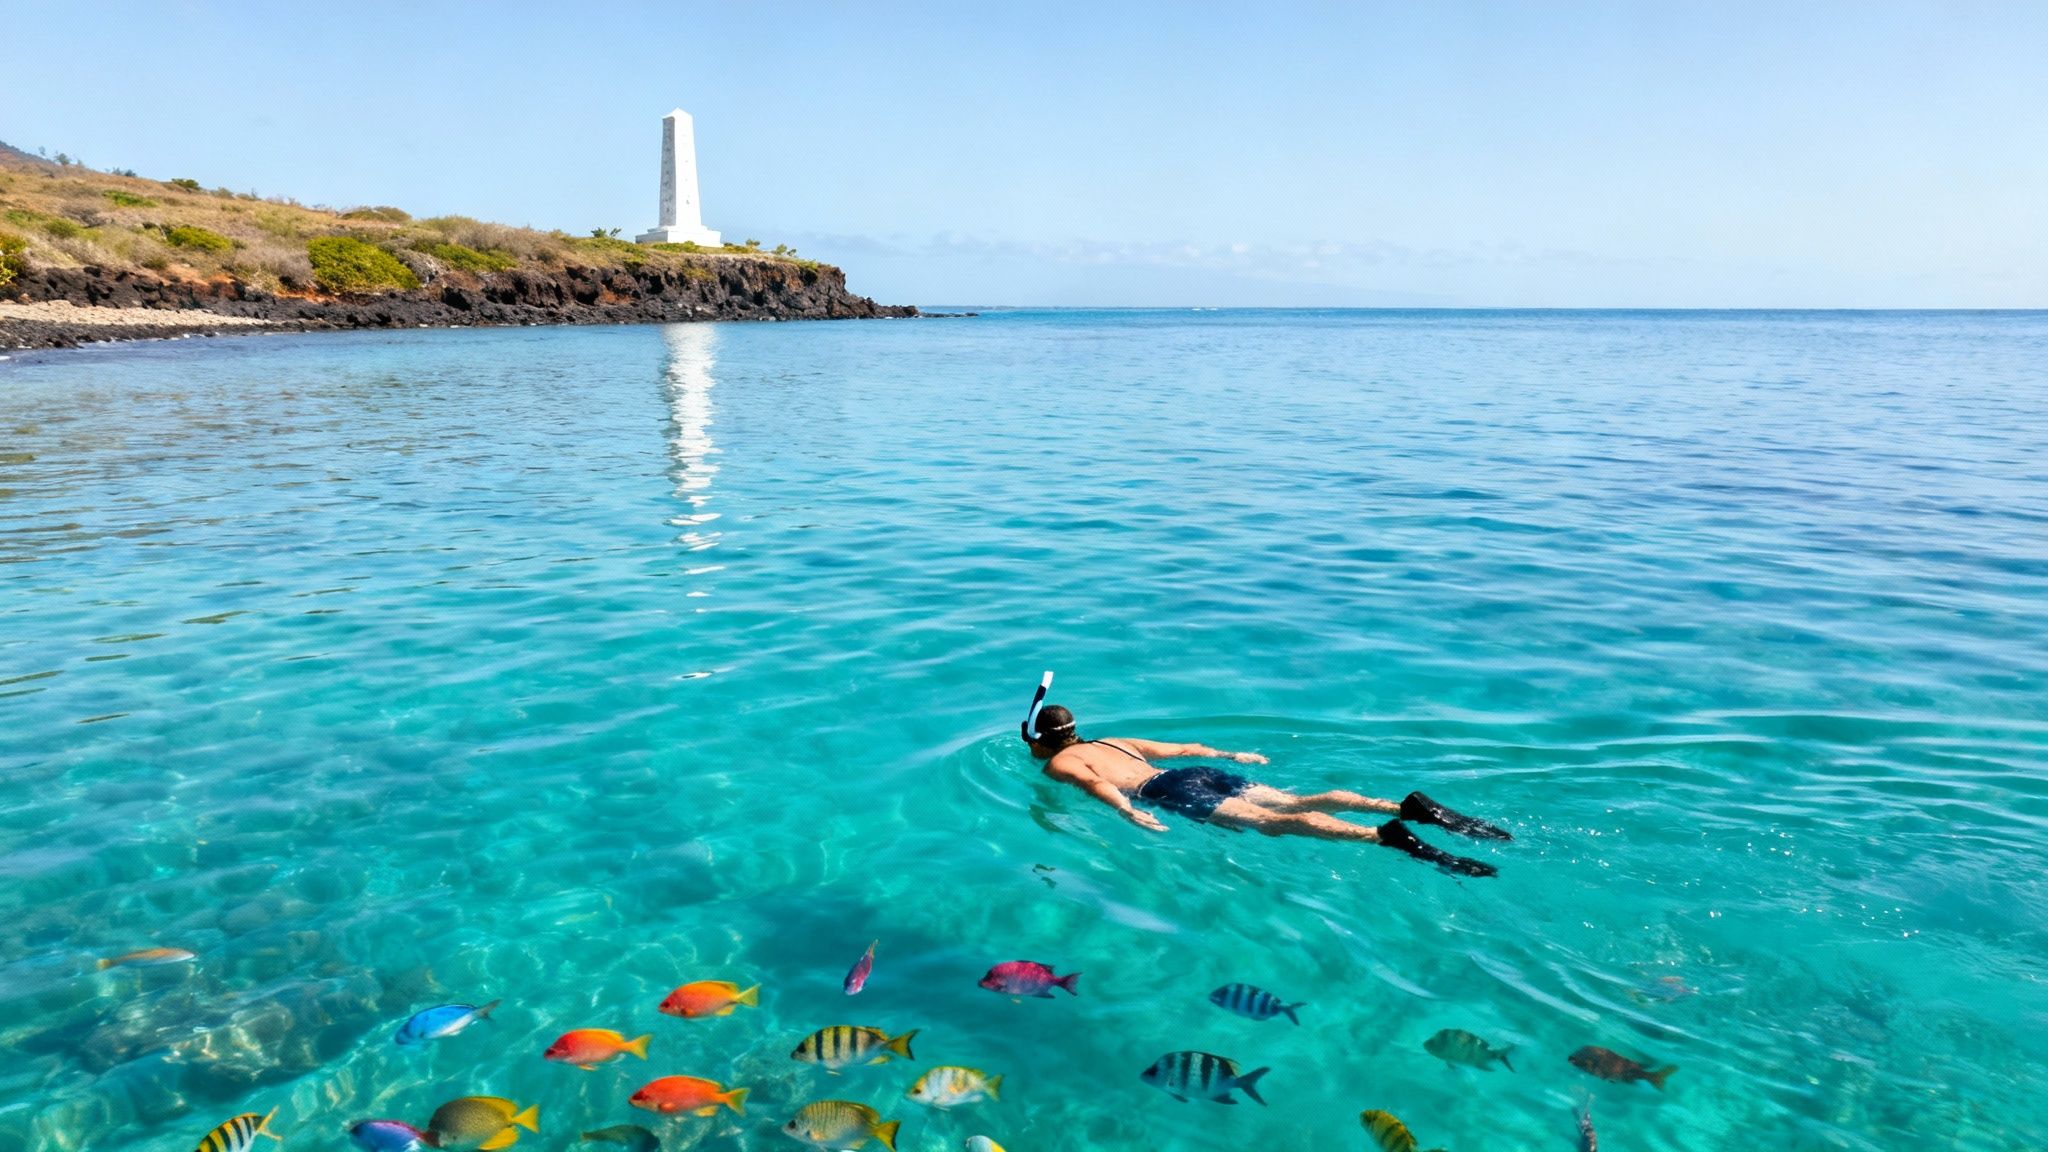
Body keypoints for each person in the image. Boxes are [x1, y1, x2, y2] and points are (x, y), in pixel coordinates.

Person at [1025, 703, 1507, 877]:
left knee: (1274, 825)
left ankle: (1381, 835)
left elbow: (1092, 784)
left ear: (1043, 742)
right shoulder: (1114, 740)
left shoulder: (1061, 764)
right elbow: (1180, 747)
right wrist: (1234, 756)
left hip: (1167, 791)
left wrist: (1130, 814)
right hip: (1199, 773)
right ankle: (1403, 806)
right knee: (1294, 801)